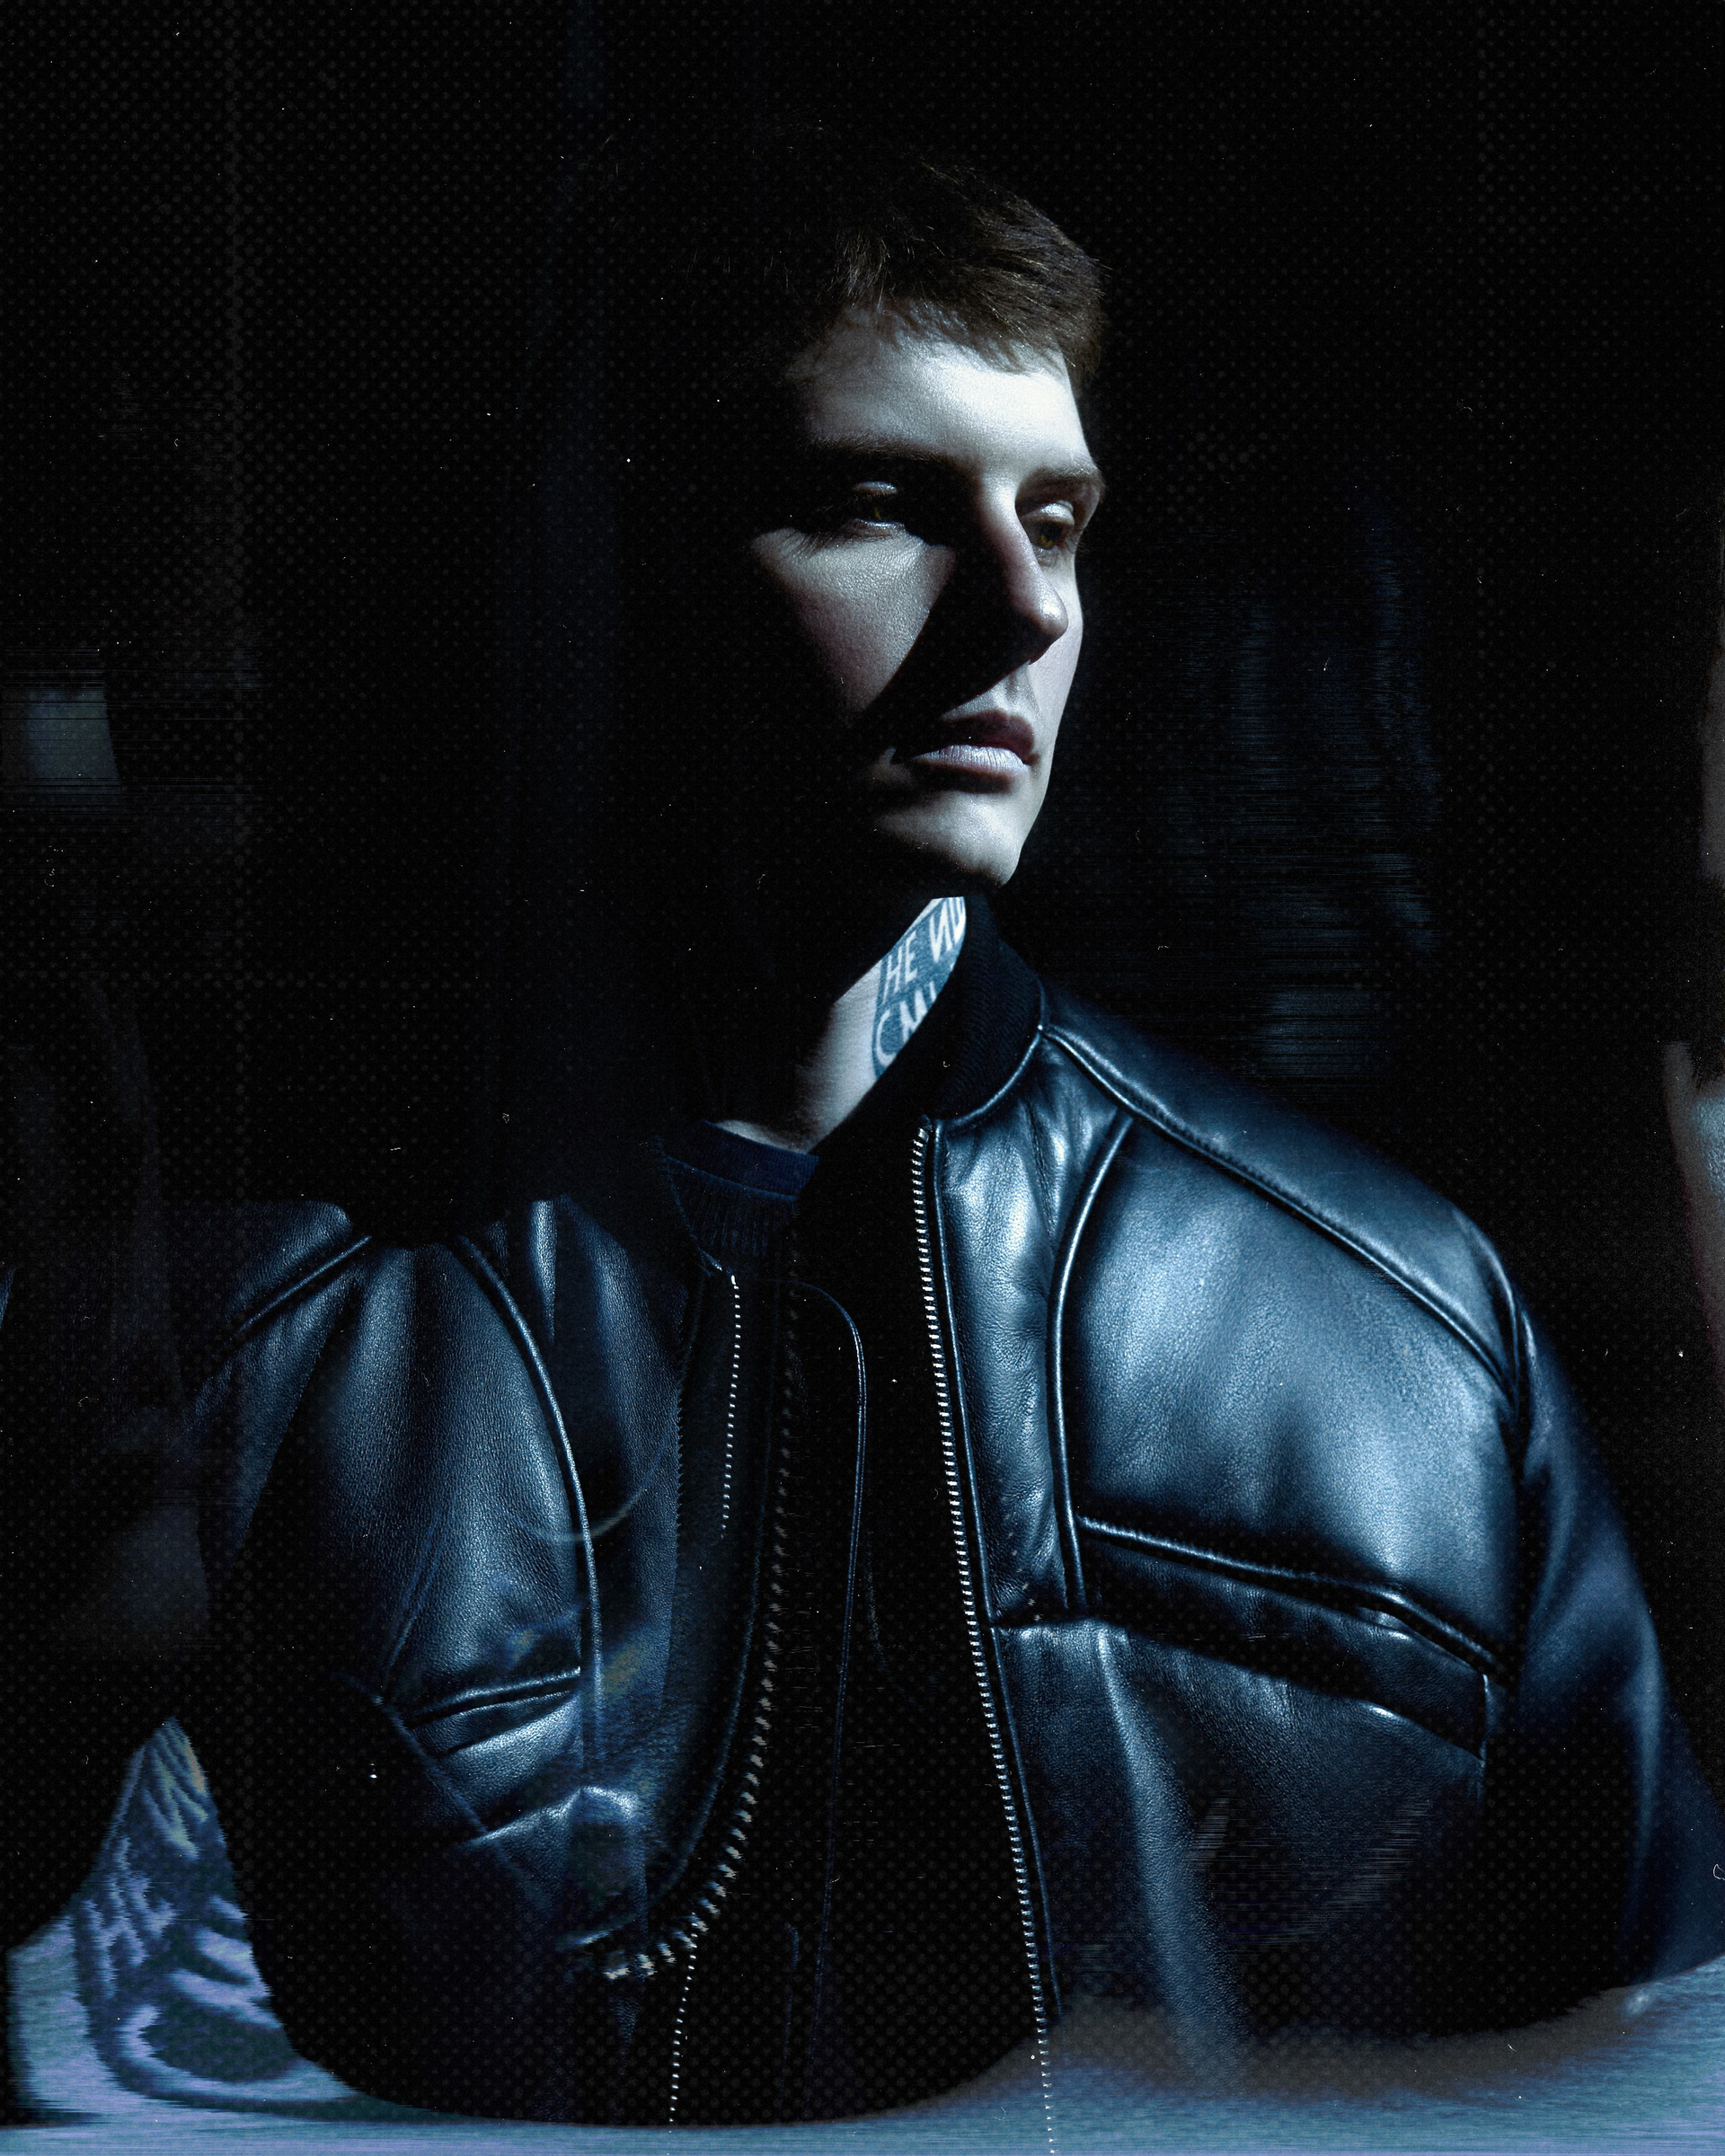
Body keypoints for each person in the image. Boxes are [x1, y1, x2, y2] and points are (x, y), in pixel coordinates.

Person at [4, 127, 1722, 2130]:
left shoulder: (1399, 1345)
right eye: (878, 505)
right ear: (630, 564)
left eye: (1059, 518)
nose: (1022, 605)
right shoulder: (238, 1345)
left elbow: (1660, 2071)